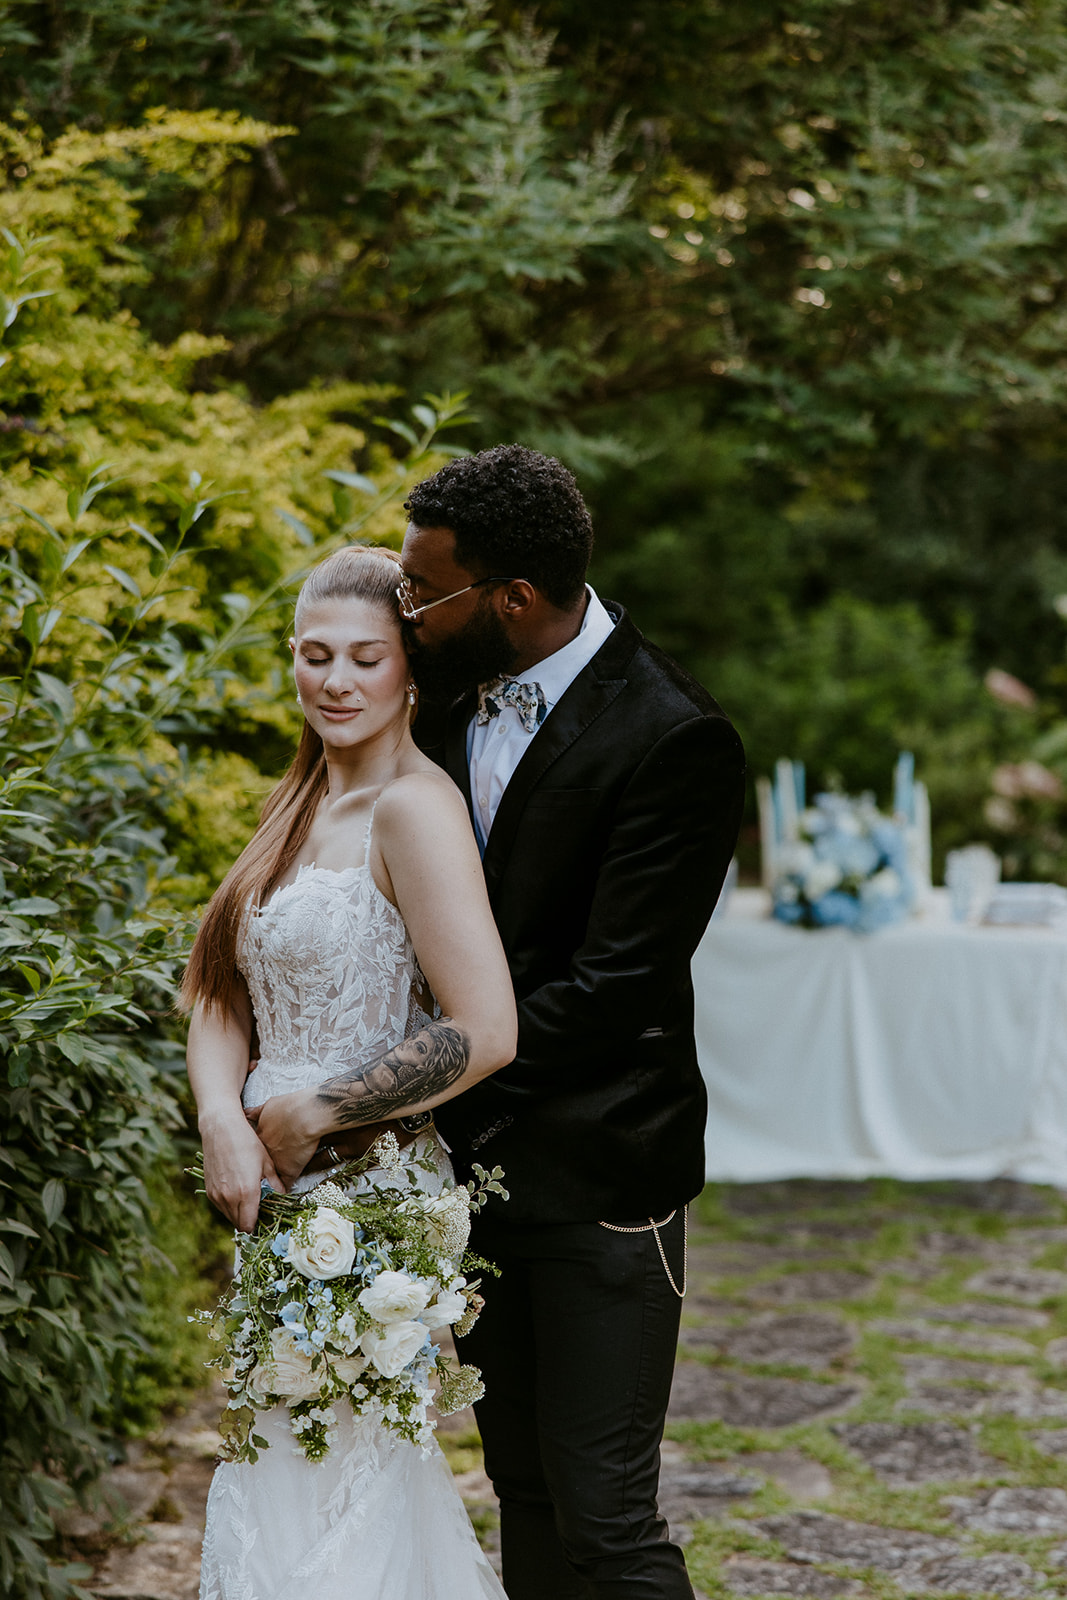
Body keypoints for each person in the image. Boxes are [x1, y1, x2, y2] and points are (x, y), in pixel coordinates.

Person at [253, 445, 746, 1599]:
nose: (408, 616)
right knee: (519, 1485)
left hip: (601, 1183)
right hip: (466, 1179)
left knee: (605, 1514)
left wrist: (405, 1081)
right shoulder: (446, 704)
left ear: (511, 599)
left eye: (425, 594)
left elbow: (611, 990)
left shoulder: (674, 736)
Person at [183, 544, 516, 1600]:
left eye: (363, 658)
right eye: (313, 653)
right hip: (276, 1199)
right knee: (280, 1473)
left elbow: (487, 1026)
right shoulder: (295, 807)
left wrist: (315, 1112)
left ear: (408, 670)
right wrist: (222, 1122)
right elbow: (217, 991)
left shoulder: (413, 809)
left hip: (367, 1202)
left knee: (345, 1480)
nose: (334, 679)